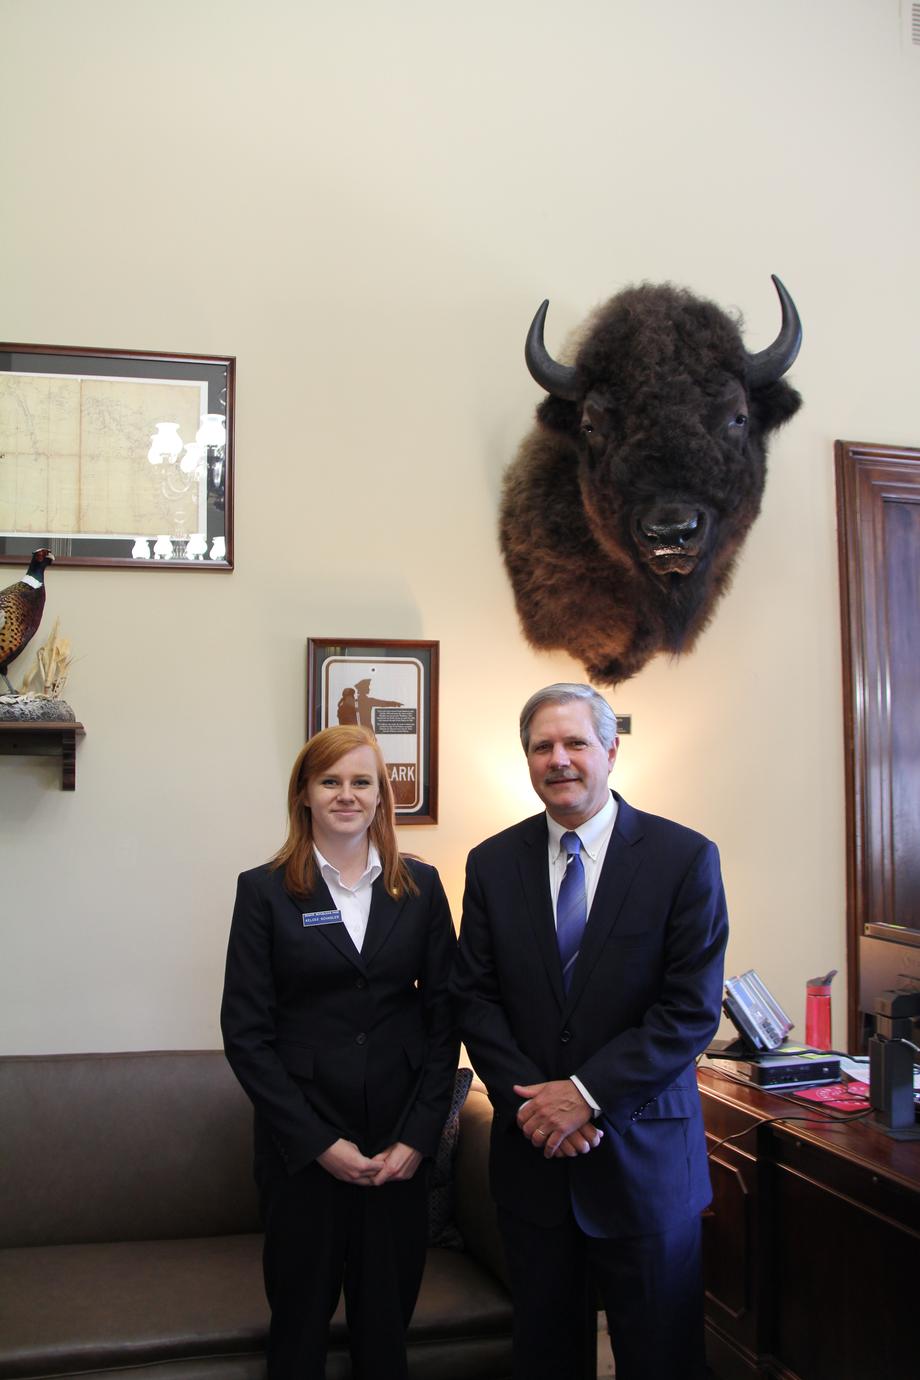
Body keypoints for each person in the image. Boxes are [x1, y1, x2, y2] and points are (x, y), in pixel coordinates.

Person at [450, 683, 728, 1380]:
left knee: (662, 1359)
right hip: (533, 1167)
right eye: (542, 746)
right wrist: (535, 1109)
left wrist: (586, 1093)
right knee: (545, 1360)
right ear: (527, 760)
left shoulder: (683, 858)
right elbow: (475, 999)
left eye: (575, 742)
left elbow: (689, 1010)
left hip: (645, 1165)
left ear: (610, 750)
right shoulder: (491, 864)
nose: (559, 759)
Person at [221, 724, 458, 1380]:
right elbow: (245, 1035)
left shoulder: (422, 888)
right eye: (331, 781)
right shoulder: (264, 891)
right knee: (297, 1330)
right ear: (303, 794)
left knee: (386, 1333)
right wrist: (320, 1144)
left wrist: (418, 1138)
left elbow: (446, 1025)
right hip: (302, 1156)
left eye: (362, 782)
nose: (346, 795)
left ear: (384, 797)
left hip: (397, 1153)